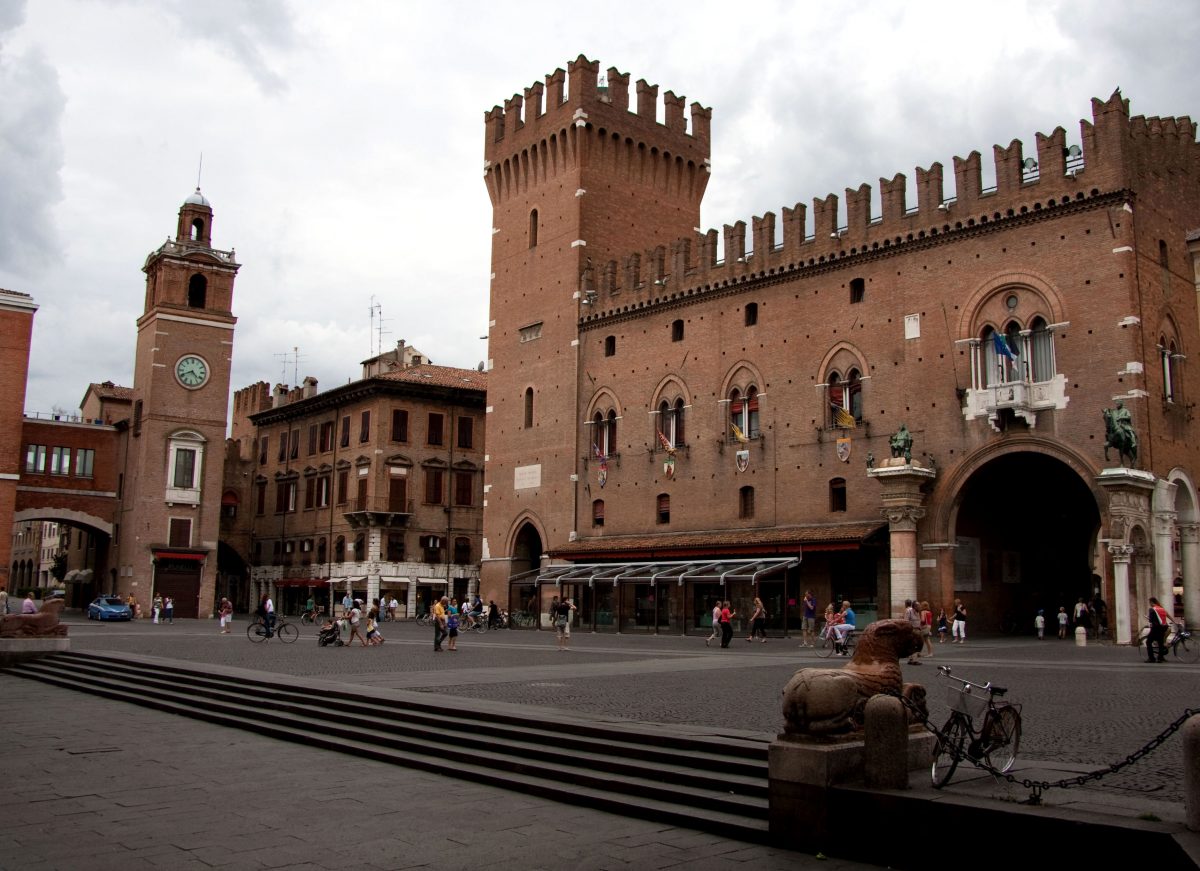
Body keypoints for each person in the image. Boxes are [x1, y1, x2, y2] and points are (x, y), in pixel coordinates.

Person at [1146, 596, 1172, 663]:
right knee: (1160, 643)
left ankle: (1151, 658)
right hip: (1163, 627)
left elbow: (1151, 620)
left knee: (1148, 642)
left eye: (1150, 602)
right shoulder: (1161, 608)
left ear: (1152, 602)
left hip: (1156, 628)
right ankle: (1160, 658)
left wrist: (1148, 619)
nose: (1150, 604)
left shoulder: (1152, 609)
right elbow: (1167, 615)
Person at [904, 600, 923, 664]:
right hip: (912, 630)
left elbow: (918, 621)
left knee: (918, 644)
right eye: (918, 606)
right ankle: (914, 660)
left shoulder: (918, 612)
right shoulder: (909, 611)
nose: (920, 607)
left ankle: (911, 659)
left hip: (918, 631)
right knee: (914, 645)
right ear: (914, 606)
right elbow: (906, 621)